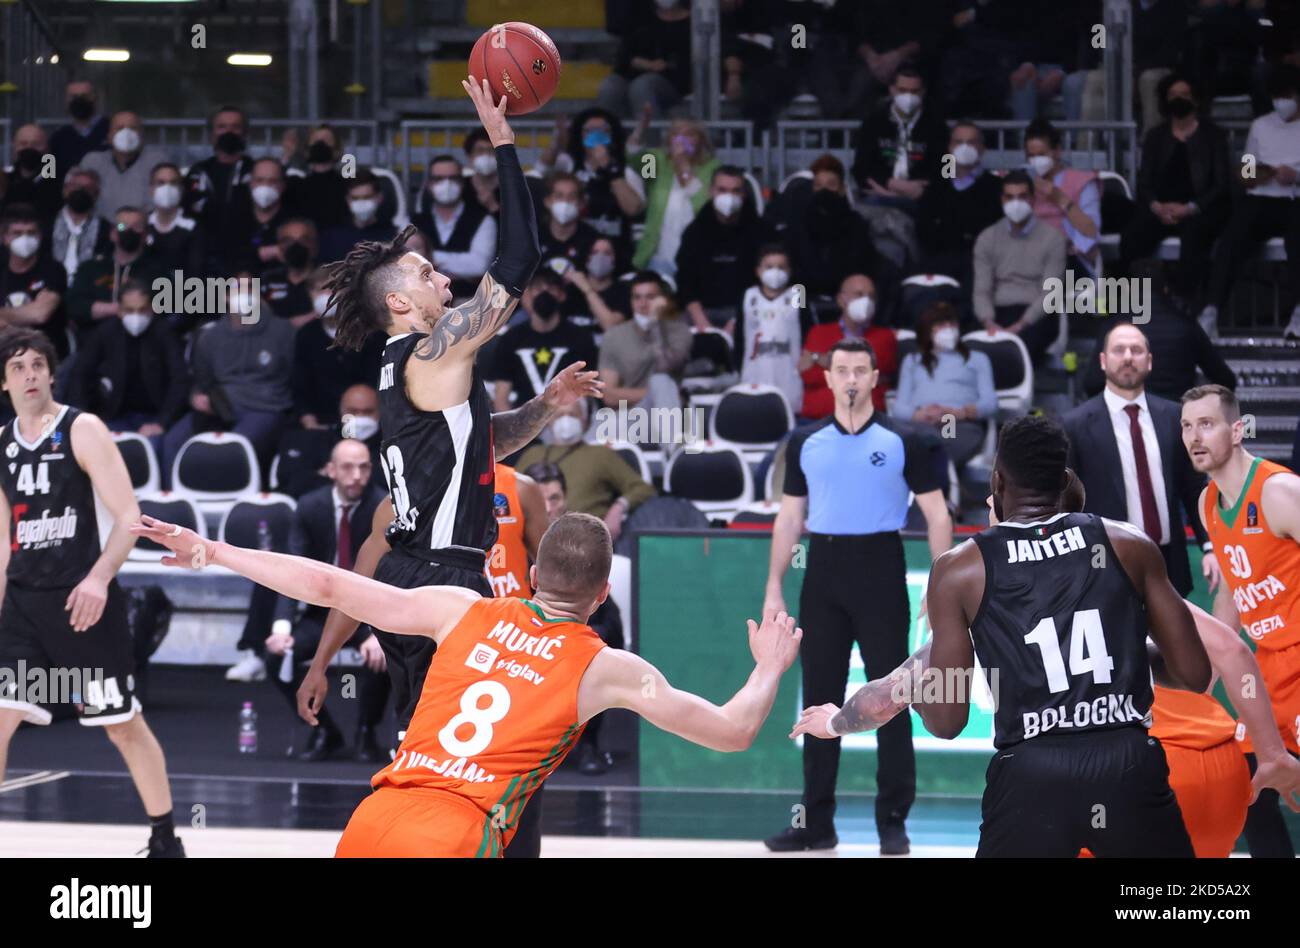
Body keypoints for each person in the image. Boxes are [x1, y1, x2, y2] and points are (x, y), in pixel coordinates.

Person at [302, 77, 601, 859]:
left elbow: (482, 446)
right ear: (402, 304)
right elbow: (520, 258)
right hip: (441, 579)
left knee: (438, 754)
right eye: (430, 276)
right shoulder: (434, 351)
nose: (444, 280)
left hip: (417, 574)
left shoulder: (421, 372)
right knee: (496, 758)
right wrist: (505, 142)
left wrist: (545, 406)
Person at [135, 508, 802, 857]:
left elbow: (331, 583)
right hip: (457, 833)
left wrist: (215, 552)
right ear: (602, 596)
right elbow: (734, 730)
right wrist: (769, 666)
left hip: (376, 817)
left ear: (533, 575)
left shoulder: (461, 609)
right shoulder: (607, 668)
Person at [795, 467, 1300, 857]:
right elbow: (1221, 658)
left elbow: (893, 692)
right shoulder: (1121, 560)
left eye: (995, 503)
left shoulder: (981, 584)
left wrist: (836, 722)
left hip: (1084, 780)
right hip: (1193, 773)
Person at [911, 414, 1210, 856]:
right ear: (1066, 478)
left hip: (1030, 774)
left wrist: (921, 691)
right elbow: (1194, 674)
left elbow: (948, 721)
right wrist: (1126, 654)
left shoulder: (959, 570)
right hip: (1126, 763)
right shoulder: (1128, 544)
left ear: (997, 482)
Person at [762, 337, 952, 853]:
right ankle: (815, 822)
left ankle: (893, 821)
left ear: (874, 378)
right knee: (819, 697)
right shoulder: (805, 441)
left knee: (892, 696)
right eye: (840, 369)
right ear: (826, 377)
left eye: (859, 370)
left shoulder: (905, 440)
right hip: (822, 572)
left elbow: (937, 515)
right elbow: (789, 516)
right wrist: (774, 586)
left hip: (880, 569)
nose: (849, 378)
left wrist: (940, 587)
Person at [0, 328, 183, 857]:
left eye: (38, 365)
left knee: (121, 725)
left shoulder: (82, 429)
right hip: (23, 605)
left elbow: (130, 519)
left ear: (52, 374)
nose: (30, 374)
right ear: (4, 381)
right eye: (18, 367)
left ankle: (165, 838)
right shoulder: (3, 446)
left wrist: (99, 578)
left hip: (82, 602)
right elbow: (3, 544)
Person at [1183, 383, 1300, 856]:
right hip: (1268, 668)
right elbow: (1232, 589)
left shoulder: (1279, 491)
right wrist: (1208, 666)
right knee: (1252, 783)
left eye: (1206, 424)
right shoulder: (1208, 505)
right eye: (1187, 426)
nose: (1194, 436)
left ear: (1236, 430)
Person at [1064, 323, 1217, 598]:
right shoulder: (1075, 424)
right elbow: (1066, 502)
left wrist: (1210, 546)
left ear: (1149, 361)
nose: (1127, 357)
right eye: (1118, 350)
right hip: (1104, 565)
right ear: (1102, 360)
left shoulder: (1174, 417)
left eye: (1136, 350)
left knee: (1173, 642)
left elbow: (1193, 488)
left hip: (1169, 564)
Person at [265, 439, 390, 762]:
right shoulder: (309, 507)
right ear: (331, 470)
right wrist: (282, 627)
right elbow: (293, 570)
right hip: (323, 612)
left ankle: (367, 731)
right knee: (278, 656)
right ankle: (323, 730)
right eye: (348, 467)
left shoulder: (385, 508)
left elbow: (393, 571)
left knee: (388, 650)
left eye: (364, 467)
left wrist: (379, 629)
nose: (357, 475)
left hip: (370, 610)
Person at [523, 461, 626, 774]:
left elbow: (600, 598)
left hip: (570, 630)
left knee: (601, 638)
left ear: (565, 498)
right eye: (541, 500)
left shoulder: (581, 537)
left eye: (554, 498)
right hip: (521, 627)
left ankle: (588, 744)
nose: (548, 507)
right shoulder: (506, 536)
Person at [1200, 65, 1300, 340]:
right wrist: (1253, 175)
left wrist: (1295, 175)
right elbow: (1245, 169)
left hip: (1295, 200)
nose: (1283, 102)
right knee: (1231, 241)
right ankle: (1211, 311)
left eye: (1288, 95)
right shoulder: (1260, 126)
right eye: (1278, 95)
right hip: (1261, 198)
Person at [1119, 73, 1230, 308]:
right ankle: (1126, 302)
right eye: (1172, 95)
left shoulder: (1214, 136)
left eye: (1184, 95)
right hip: (1162, 208)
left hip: (1198, 210)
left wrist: (1190, 208)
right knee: (1133, 237)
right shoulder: (1155, 137)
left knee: (1195, 238)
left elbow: (1221, 184)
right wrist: (1156, 206)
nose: (1178, 99)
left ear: (1196, 100)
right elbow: (1145, 181)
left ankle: (1183, 302)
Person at [66, 281, 189, 450]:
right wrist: (84, 418)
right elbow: (80, 375)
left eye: (142, 310)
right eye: (129, 310)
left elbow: (180, 380)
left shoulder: (165, 333)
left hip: (154, 417)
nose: (136, 316)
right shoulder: (105, 333)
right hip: (112, 416)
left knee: (152, 447)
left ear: (152, 308)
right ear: (119, 310)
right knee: (96, 448)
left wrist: (162, 422)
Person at [517, 399, 657, 541]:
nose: (566, 420)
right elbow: (509, 490)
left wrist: (618, 508)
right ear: (548, 420)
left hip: (586, 540)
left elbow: (642, 489)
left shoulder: (601, 454)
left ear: (585, 420)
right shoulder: (532, 454)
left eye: (572, 414)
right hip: (532, 539)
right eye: (559, 415)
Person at [972, 171, 1068, 366]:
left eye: (1022, 197)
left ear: (1033, 200)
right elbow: (982, 290)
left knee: (1016, 352)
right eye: (1009, 197)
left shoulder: (1053, 239)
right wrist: (989, 323)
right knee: (976, 351)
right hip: (996, 312)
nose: (1016, 203)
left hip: (1036, 315)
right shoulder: (987, 238)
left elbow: (1050, 294)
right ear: (1002, 200)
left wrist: (1018, 327)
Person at [890, 302, 997, 471]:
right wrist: (921, 415)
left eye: (952, 324)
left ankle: (934, 485)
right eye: (941, 325)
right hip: (921, 422)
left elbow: (990, 403)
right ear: (928, 330)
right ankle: (939, 483)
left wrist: (961, 412)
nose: (948, 328)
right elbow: (899, 407)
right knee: (910, 438)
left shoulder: (977, 358)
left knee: (940, 445)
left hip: (955, 421)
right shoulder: (912, 361)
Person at [489, 269, 598, 413]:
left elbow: (585, 392)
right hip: (524, 418)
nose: (545, 293)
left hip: (566, 415)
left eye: (551, 288)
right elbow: (501, 398)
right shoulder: (511, 339)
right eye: (538, 288)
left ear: (562, 295)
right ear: (527, 295)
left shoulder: (580, 336)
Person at [675, 165, 763, 333]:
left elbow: (765, 282)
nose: (728, 196)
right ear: (711, 192)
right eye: (722, 190)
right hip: (702, 312)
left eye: (735, 191)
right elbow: (685, 281)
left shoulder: (762, 231)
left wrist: (740, 320)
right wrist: (702, 323)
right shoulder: (694, 232)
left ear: (744, 194)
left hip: (749, 312)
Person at [851, 65, 947, 209]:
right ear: (892, 89)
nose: (908, 97)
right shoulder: (873, 122)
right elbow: (861, 168)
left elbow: (948, 170)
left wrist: (923, 191)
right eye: (902, 90)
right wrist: (890, 184)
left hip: (922, 200)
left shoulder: (938, 126)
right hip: (880, 196)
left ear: (923, 92)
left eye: (914, 92)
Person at [801, 274, 897, 417]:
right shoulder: (818, 333)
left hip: (867, 419)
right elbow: (809, 376)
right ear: (841, 300)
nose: (866, 300)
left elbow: (872, 372)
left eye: (871, 296)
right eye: (859, 294)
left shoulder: (885, 336)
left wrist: (823, 361)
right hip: (820, 417)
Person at [630, 120, 719, 274]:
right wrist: (640, 131)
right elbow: (633, 160)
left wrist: (685, 168)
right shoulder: (656, 160)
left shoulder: (712, 167)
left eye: (689, 134)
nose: (681, 140)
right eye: (676, 134)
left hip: (697, 257)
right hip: (658, 256)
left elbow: (705, 205)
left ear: (701, 140)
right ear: (669, 139)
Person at [597, 271, 692, 415]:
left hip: (670, 413)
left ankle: (670, 438)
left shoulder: (680, 331)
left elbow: (665, 367)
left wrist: (655, 324)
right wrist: (654, 393)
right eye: (637, 298)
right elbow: (609, 396)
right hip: (629, 415)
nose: (642, 304)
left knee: (661, 381)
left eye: (650, 297)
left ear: (663, 300)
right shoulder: (614, 335)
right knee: (661, 387)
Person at [410, 155, 496, 300]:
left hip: (470, 301)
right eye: (439, 179)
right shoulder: (412, 221)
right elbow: (406, 263)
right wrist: (460, 269)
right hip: (422, 299)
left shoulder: (484, 220)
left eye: (453, 178)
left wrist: (427, 257)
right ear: (429, 184)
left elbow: (479, 265)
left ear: (462, 183)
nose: (447, 184)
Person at [0, 204, 70, 358]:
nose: (24, 238)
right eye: (17, 233)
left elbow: (40, 314)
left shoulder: (53, 270)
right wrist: (26, 313)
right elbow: (32, 313)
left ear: (40, 236)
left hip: (47, 356)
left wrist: (4, 317)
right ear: (4, 238)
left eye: (31, 233)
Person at [738, 245, 803, 412]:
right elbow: (740, 336)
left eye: (781, 267)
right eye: (769, 267)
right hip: (755, 369)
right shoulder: (749, 296)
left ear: (789, 270)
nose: (776, 272)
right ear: (758, 271)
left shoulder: (798, 293)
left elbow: (806, 327)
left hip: (789, 371)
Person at [80, 112, 170, 218]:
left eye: (133, 128)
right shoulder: (92, 161)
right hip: (100, 230)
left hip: (142, 228)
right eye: (120, 128)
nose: (126, 133)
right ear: (109, 136)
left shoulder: (157, 162)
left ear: (142, 136)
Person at [49, 80, 109, 175]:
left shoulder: (111, 131)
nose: (79, 101)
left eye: (84, 96)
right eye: (74, 97)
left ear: (95, 99)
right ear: (66, 101)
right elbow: (50, 174)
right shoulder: (58, 137)